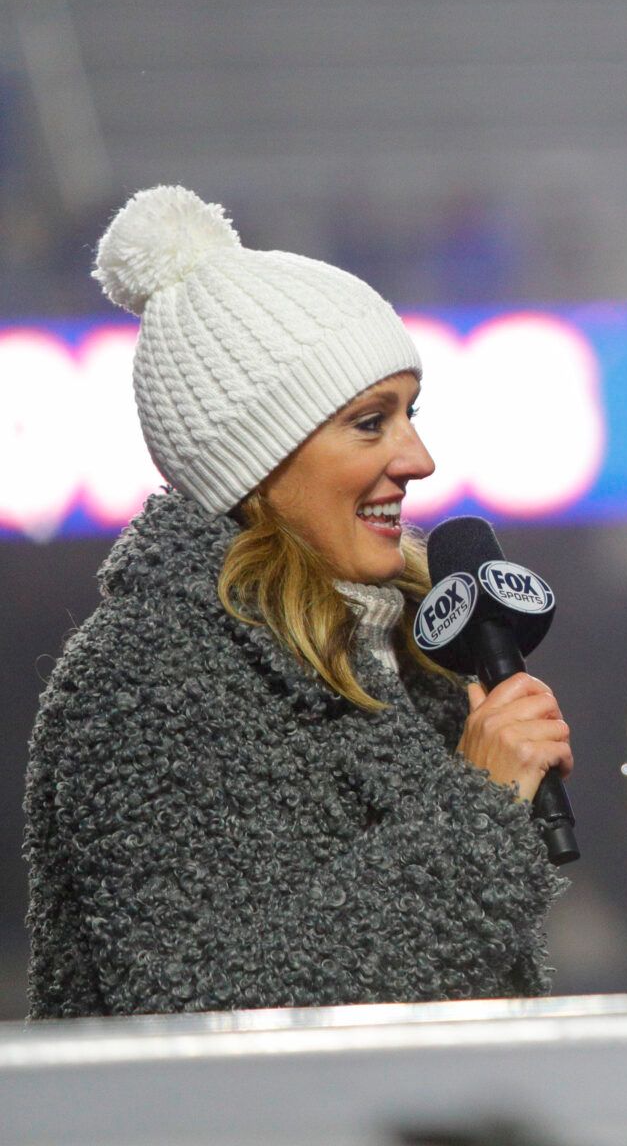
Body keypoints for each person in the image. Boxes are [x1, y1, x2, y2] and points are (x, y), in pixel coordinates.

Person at [24, 185, 574, 1018]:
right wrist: (478, 808)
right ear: (260, 458)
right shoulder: (144, 676)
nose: (418, 458)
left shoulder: (411, 644)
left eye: (409, 415)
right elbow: (196, 1010)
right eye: (369, 423)